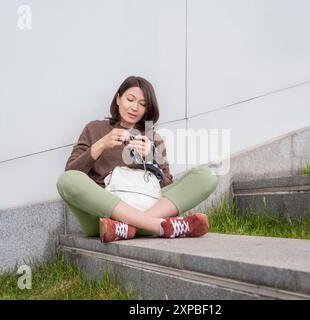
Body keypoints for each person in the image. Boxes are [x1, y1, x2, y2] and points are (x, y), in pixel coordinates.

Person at [56, 75, 218, 243]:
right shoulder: (94, 129)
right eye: (130, 99)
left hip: (141, 206)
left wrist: (153, 158)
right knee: (66, 180)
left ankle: (128, 228)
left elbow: (167, 184)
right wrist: (101, 145)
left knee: (206, 176)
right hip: (104, 213)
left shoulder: (152, 138)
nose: (135, 108)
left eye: (142, 104)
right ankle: (156, 226)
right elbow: (73, 173)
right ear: (118, 99)